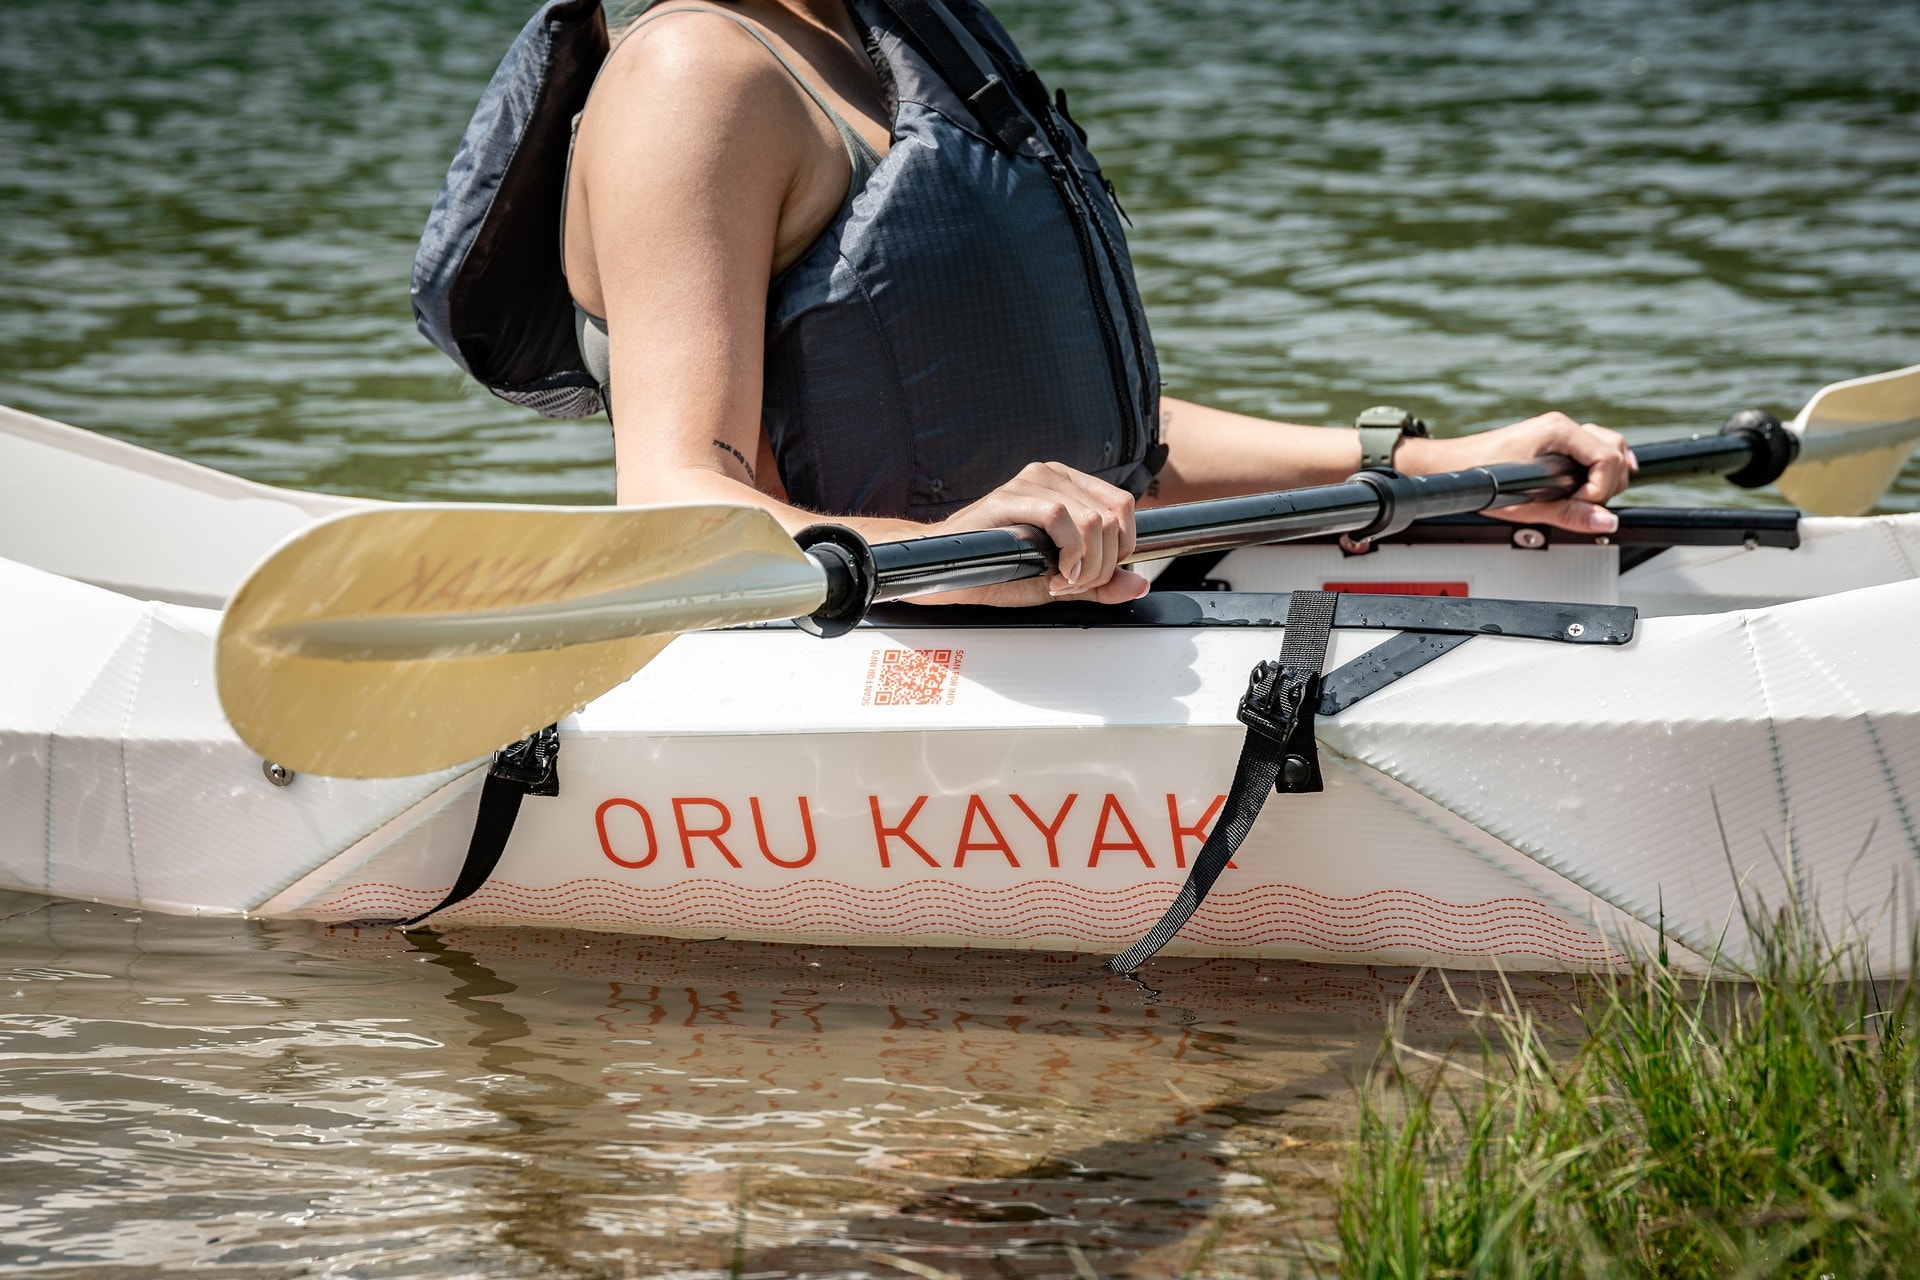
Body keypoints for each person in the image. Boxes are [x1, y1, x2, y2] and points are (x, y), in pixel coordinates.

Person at [561, 0, 1635, 605]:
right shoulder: (696, 75)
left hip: (1056, 611)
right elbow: (671, 506)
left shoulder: (901, 44)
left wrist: (1424, 467)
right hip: (850, 653)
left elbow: (1108, 451)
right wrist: (948, 565)